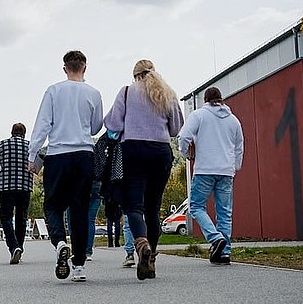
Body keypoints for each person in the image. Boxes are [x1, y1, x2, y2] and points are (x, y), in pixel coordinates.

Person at [103, 59, 184, 280]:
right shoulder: (168, 93)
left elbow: (113, 124)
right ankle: (151, 259)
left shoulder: (127, 92)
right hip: (160, 152)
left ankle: (141, 246)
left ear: (135, 75)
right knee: (153, 208)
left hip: (133, 151)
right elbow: (176, 128)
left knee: (134, 206)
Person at [28, 50, 104, 282]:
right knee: (79, 210)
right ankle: (79, 266)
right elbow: (96, 127)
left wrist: (32, 154)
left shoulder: (53, 91)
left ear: (64, 68)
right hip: (83, 154)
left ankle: (60, 242)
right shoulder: (94, 93)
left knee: (53, 205)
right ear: (85, 68)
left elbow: (43, 124)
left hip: (58, 154)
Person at [177, 86, 244, 266]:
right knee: (224, 213)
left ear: (205, 100)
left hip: (204, 169)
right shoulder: (234, 120)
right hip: (226, 171)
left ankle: (215, 238)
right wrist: (235, 166)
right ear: (221, 99)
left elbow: (183, 136)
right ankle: (225, 252)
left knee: (196, 206)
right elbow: (239, 147)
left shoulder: (199, 115)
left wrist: (185, 153)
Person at [0, 122, 34, 264]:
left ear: (12, 132)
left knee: (6, 217)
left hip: (6, 187)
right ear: (24, 133)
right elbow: (36, 165)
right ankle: (19, 246)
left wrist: (1, 174)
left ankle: (13, 247)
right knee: (22, 219)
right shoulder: (30, 146)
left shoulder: (2, 144)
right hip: (25, 187)